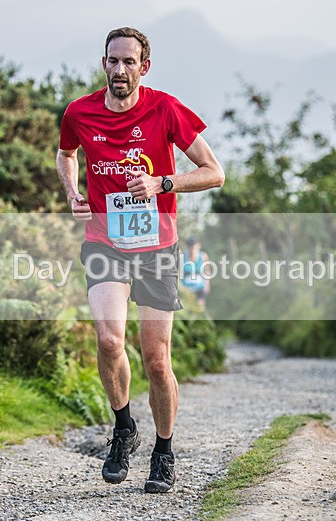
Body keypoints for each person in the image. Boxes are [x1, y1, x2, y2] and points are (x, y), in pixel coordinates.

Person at [55, 27, 224, 493]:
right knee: (109, 340)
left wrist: (162, 184)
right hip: (104, 242)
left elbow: (215, 173)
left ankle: (164, 450)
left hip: (156, 247)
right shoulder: (79, 112)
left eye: (130, 62)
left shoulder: (165, 109)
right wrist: (72, 190)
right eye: (113, 61)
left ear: (143, 68)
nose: (120, 70)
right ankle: (124, 427)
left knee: (156, 357)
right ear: (104, 63)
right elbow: (65, 153)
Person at [181, 237, 211, 309]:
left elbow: (207, 271)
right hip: (186, 287)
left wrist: (207, 284)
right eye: (190, 247)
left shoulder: (203, 256)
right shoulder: (183, 257)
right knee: (187, 307)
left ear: (198, 246)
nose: (192, 249)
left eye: (194, 246)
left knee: (200, 306)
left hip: (199, 286)